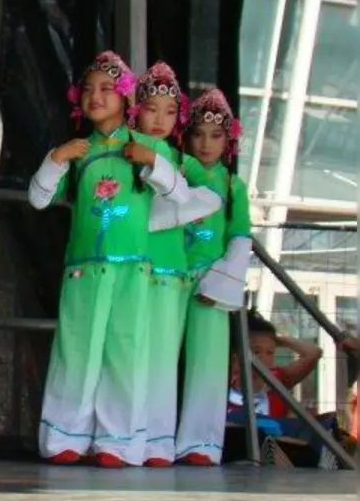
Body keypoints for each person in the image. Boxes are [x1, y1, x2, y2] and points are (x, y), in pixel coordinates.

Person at [27, 51, 200, 467]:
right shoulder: (77, 150)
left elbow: (182, 197)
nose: (95, 96)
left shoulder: (142, 147)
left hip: (131, 268)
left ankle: (117, 441)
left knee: (125, 349)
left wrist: (153, 163)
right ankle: (65, 436)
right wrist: (56, 159)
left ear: (126, 98)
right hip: (83, 266)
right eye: (88, 89)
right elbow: (37, 198)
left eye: (107, 89)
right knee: (76, 348)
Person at [126, 62, 220, 466]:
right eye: (151, 108)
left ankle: (158, 442)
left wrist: (163, 216)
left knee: (162, 358)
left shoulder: (182, 159)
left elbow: (213, 195)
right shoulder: (122, 144)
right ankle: (124, 437)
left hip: (169, 271)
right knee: (128, 353)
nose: (160, 120)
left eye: (169, 112)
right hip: (127, 267)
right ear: (136, 108)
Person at [174, 88, 252, 465]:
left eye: (216, 135)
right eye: (198, 134)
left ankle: (200, 444)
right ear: (185, 136)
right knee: (151, 357)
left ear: (228, 140)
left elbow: (240, 237)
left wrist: (221, 282)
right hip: (166, 274)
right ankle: (147, 437)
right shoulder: (171, 173)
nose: (206, 144)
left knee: (207, 362)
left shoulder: (232, 187)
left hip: (209, 278)